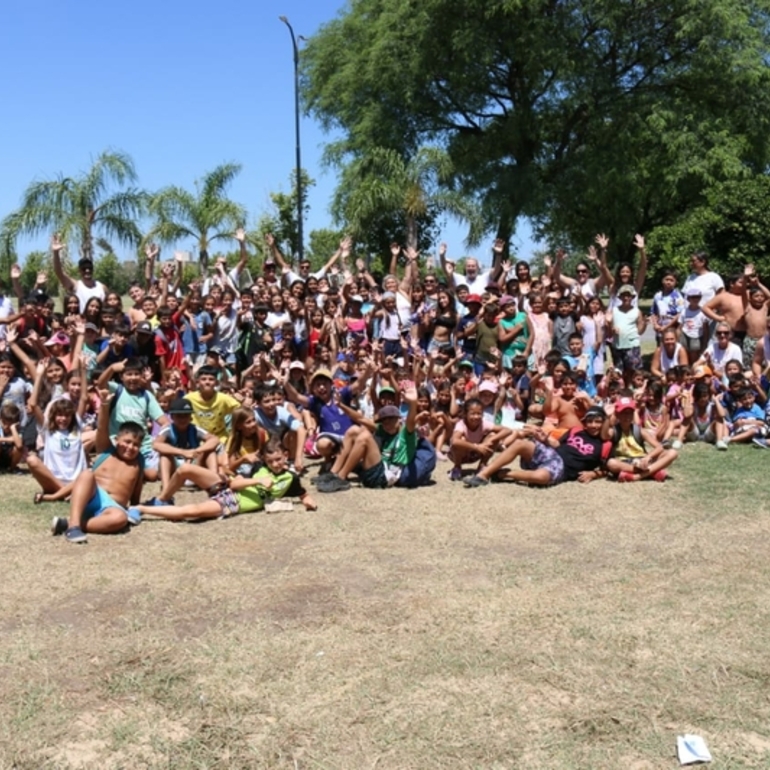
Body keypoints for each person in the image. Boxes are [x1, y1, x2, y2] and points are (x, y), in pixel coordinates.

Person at [127, 438, 317, 522]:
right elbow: (235, 483)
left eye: (278, 460)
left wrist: (309, 502)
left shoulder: (290, 478)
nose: (275, 464)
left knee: (191, 512)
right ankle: (161, 500)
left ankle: (141, 509)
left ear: (286, 455)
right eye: (270, 461)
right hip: (229, 491)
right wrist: (258, 481)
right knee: (185, 468)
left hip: (234, 502)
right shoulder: (260, 468)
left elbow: (303, 494)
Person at [50, 392, 145, 543]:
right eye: (127, 442)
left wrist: (135, 509)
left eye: (136, 445)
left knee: (120, 519)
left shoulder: (139, 462)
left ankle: (68, 523)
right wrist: (105, 405)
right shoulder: (106, 450)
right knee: (87, 474)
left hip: (112, 507)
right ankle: (74, 527)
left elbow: (136, 491)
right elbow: (102, 428)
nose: (131, 447)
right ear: (117, 440)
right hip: (92, 496)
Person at [315, 386, 436, 492]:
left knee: (365, 437)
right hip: (375, 469)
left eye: (391, 419)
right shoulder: (383, 429)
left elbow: (411, 420)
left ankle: (341, 478)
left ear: (399, 420)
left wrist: (413, 403)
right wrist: (341, 405)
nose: (387, 423)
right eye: (384, 421)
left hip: (384, 476)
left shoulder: (406, 433)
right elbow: (360, 419)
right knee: (353, 431)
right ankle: (333, 473)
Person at [463, 405, 611, 487]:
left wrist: (593, 474)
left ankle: (503, 474)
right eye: (590, 421)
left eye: (598, 421)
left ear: (604, 423)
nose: (593, 425)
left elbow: (608, 469)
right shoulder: (576, 431)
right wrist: (545, 439)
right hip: (551, 454)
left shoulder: (605, 444)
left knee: (541, 477)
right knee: (521, 443)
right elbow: (557, 444)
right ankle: (483, 475)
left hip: (563, 468)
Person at [152, 397, 220, 492]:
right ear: (172, 417)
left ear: (191, 417)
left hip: (193, 465)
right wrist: (183, 452)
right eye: (179, 415)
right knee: (164, 456)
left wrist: (197, 451)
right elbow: (156, 445)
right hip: (174, 469)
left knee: (210, 452)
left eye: (186, 415)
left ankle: (214, 482)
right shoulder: (167, 430)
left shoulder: (195, 429)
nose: (182, 419)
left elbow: (215, 440)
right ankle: (166, 487)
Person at [605, 395, 678, 482]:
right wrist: (606, 416)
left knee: (672, 452)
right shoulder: (614, 431)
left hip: (642, 460)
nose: (627, 416)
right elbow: (604, 435)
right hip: (625, 463)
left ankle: (636, 477)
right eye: (623, 412)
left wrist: (647, 457)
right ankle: (651, 472)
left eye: (630, 412)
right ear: (617, 414)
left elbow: (660, 447)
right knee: (611, 463)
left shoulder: (639, 430)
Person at [51, 233, 107, 312]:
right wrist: (55, 253)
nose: (87, 270)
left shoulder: (102, 287)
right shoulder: (76, 285)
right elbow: (59, 273)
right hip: (81, 322)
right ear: (79, 271)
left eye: (89, 268)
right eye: (84, 268)